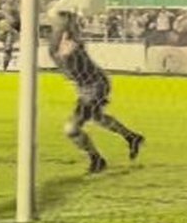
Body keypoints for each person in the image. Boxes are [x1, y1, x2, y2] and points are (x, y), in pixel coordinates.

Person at [49, 11, 144, 174]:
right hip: (88, 86)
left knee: (72, 129)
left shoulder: (72, 42)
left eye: (57, 22)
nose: (53, 25)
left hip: (95, 85)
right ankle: (132, 137)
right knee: (97, 117)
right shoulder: (59, 42)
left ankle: (97, 160)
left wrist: (60, 46)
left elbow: (65, 54)